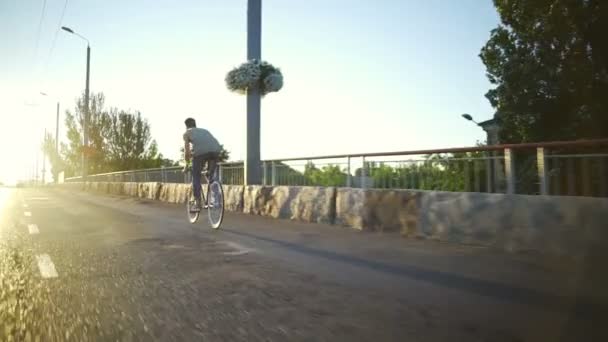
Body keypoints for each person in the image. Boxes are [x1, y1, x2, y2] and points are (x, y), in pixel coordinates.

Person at [183, 117, 222, 211]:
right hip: (216, 150)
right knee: (211, 176)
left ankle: (197, 203)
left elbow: (187, 152)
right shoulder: (204, 130)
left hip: (201, 153)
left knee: (196, 175)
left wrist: (187, 164)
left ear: (186, 126)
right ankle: (216, 201)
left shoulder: (187, 133)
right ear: (195, 124)